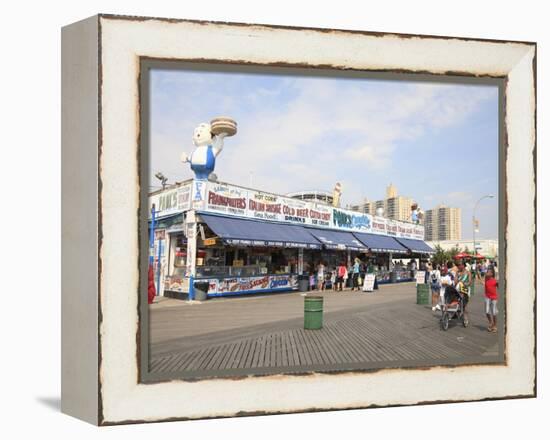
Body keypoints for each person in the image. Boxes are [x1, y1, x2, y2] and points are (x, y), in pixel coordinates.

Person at [484, 268, 499, 332]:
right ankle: (491, 322)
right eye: (487, 272)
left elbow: (499, 287)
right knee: (487, 312)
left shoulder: (495, 280)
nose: (487, 273)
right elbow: (482, 277)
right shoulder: (486, 279)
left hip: (494, 298)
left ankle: (495, 326)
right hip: (487, 297)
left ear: (492, 274)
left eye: (489, 272)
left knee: (494, 312)